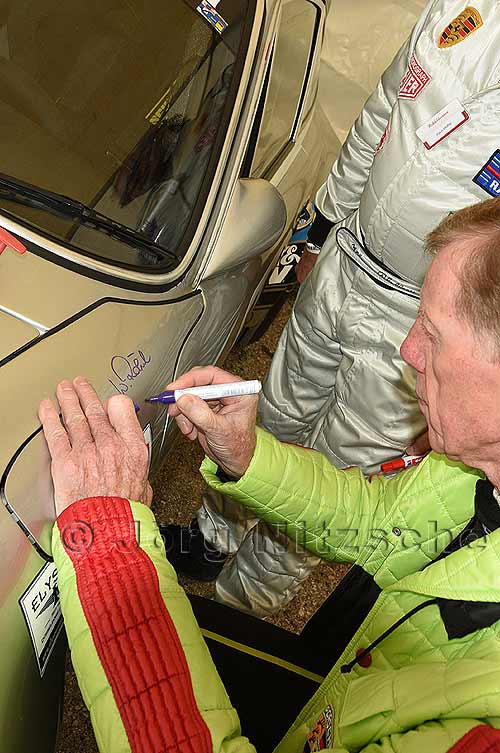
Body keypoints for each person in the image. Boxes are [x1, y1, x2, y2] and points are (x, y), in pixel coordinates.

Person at [46, 198, 500, 752]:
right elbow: (381, 523)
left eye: (432, 333)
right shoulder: (475, 464)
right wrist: (246, 454)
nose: (408, 351)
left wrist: (110, 549)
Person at [170, 0, 500, 616]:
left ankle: (235, 611)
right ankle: (210, 540)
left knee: (334, 476)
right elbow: (384, 112)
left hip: (425, 321)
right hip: (349, 259)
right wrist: (323, 221)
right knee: (274, 411)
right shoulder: (466, 9)